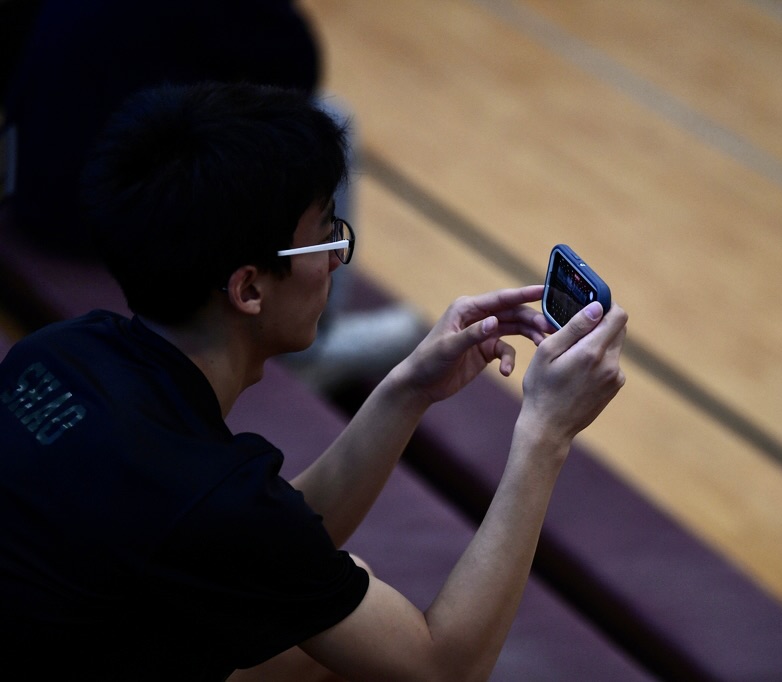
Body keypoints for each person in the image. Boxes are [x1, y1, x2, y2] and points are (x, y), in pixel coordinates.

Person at [0, 81, 628, 680]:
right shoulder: (207, 498)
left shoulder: (57, 354)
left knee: (318, 625)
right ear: (248, 288)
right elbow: (444, 667)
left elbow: (264, 548)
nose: (335, 257)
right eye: (326, 236)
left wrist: (410, 387)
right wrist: (545, 433)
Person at [0, 0, 422, 392]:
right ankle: (312, 344)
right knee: (327, 118)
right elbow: (296, 73)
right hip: (92, 211)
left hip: (25, 182)